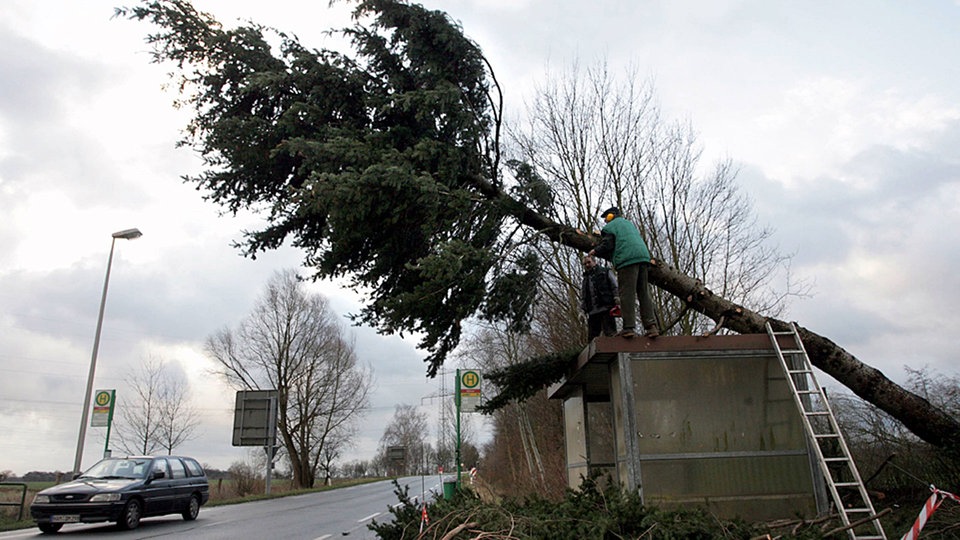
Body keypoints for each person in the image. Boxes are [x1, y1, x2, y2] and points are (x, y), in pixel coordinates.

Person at [589, 206, 659, 338]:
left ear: (611, 216)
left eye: (606, 218)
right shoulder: (628, 224)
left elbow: (608, 245)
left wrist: (595, 251)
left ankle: (628, 327)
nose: (605, 221)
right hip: (644, 257)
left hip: (627, 260)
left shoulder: (610, 227)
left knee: (627, 293)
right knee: (644, 292)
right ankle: (651, 326)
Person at [580, 254, 619, 340]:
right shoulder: (585, 279)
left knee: (611, 334)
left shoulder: (605, 271)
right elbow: (584, 296)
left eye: (588, 262)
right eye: (585, 264)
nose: (587, 265)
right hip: (592, 312)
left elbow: (615, 286)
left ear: (594, 261)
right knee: (592, 339)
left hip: (606, 308)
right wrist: (582, 310)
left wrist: (617, 298)